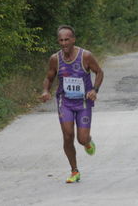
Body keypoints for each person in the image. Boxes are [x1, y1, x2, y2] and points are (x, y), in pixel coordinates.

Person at [40, 25, 104, 183]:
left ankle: (88, 141)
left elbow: (99, 72)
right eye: (61, 40)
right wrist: (45, 91)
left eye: (67, 39)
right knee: (68, 136)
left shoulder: (86, 56)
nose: (64, 43)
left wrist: (94, 90)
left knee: (81, 139)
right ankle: (74, 170)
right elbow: (49, 77)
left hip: (83, 102)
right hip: (65, 102)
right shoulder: (55, 58)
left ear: (73, 40)